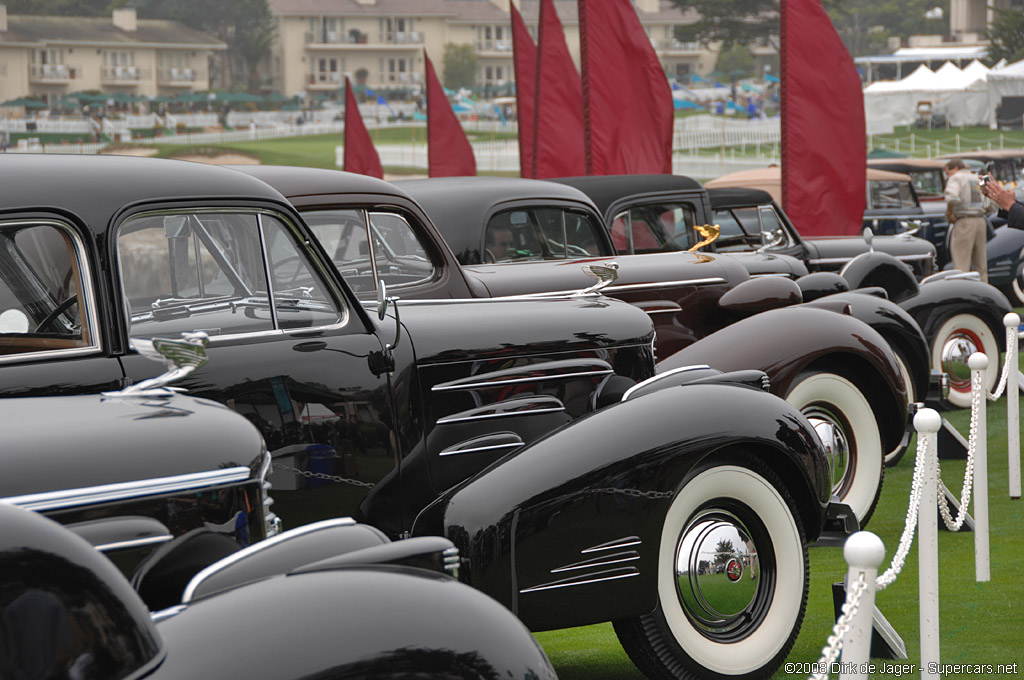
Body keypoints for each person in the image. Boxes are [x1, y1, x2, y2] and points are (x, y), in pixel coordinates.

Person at [943, 158, 990, 282]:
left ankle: (963, 293)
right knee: (981, 265)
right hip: (980, 221)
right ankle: (984, 291)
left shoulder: (956, 178)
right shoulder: (975, 178)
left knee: (961, 264)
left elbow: (952, 197)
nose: (947, 177)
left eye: (948, 173)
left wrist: (949, 213)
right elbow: (989, 203)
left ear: (956, 168)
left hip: (964, 221)